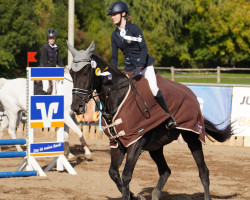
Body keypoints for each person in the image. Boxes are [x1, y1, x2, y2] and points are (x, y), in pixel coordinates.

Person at [107, 1, 176, 129]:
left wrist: (140, 65)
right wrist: (113, 72)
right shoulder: (114, 35)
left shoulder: (134, 29)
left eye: (114, 14)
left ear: (123, 14)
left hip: (144, 66)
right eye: (111, 15)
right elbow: (114, 57)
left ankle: (168, 117)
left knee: (154, 89)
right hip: (129, 68)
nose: (112, 17)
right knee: (129, 94)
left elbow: (144, 48)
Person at [35, 28, 64, 95]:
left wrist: (62, 68)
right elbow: (45, 62)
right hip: (44, 69)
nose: (52, 40)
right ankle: (41, 98)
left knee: (59, 84)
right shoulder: (45, 48)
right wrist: (52, 70)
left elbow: (59, 59)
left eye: (53, 38)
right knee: (46, 87)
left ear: (55, 38)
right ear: (47, 39)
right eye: (50, 38)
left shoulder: (56, 47)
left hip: (52, 69)